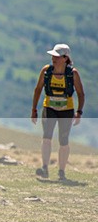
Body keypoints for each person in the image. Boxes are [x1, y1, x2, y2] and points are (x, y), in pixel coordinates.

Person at [31, 43, 85, 181]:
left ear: (65, 58)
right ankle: (44, 168)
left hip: (67, 111)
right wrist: (34, 109)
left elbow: (80, 93)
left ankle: (61, 172)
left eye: (56, 56)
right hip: (49, 108)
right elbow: (37, 89)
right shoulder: (46, 71)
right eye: (52, 55)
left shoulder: (73, 74)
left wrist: (79, 112)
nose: (53, 58)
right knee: (46, 137)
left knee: (63, 141)